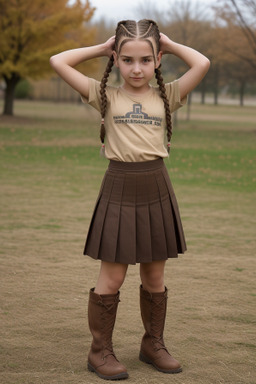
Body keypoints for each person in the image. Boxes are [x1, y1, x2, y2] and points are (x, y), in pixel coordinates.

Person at [50, 19, 210, 381]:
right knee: (112, 278)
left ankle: (153, 344)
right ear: (116, 60)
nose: (136, 69)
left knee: (155, 277)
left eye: (145, 60)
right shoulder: (104, 94)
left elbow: (202, 64)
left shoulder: (167, 96)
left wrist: (168, 42)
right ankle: (99, 352)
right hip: (119, 187)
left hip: (156, 187)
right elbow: (58, 61)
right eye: (127, 60)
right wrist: (100, 48)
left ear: (157, 60)